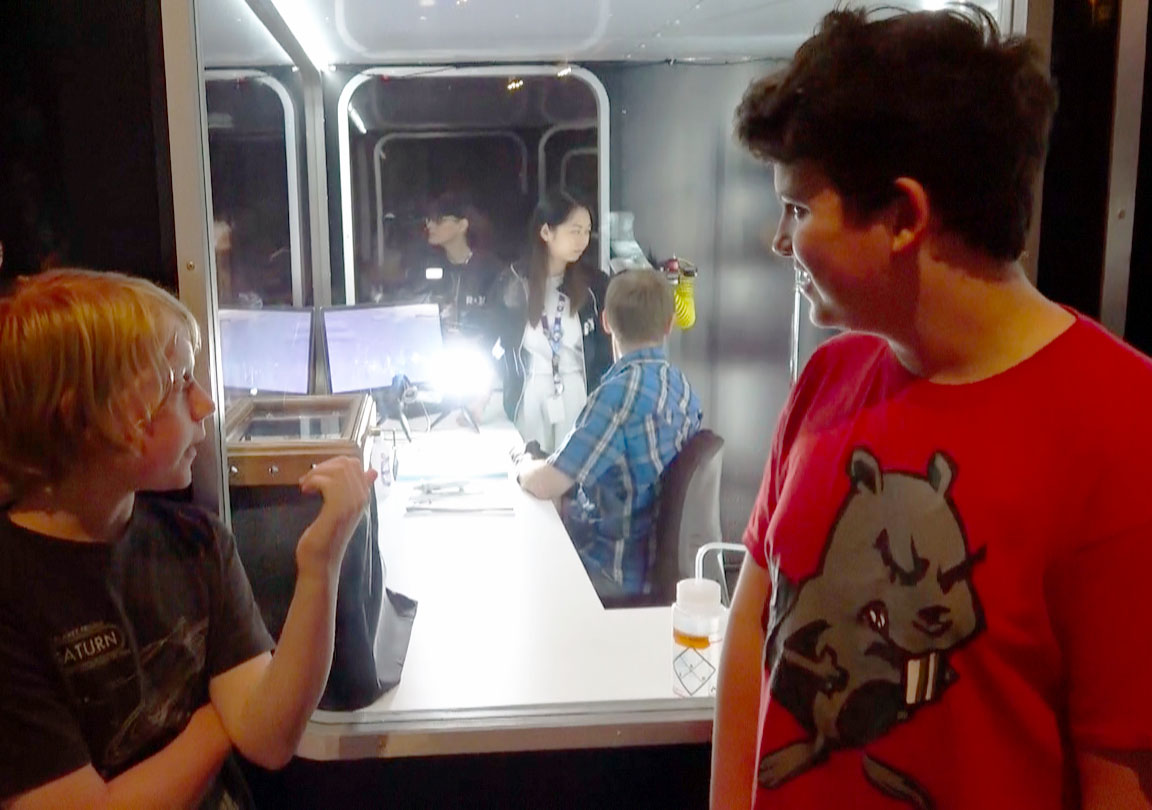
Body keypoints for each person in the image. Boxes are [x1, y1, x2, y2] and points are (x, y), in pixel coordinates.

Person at [710, 7, 1152, 810]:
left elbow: (1118, 767)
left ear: (905, 216)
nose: (781, 242)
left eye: (800, 208)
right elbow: (757, 620)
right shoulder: (829, 375)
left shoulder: (1125, 424)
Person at [0, 269, 377, 809]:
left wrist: (321, 563)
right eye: (178, 384)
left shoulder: (196, 540)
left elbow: (269, 738)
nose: (205, 404)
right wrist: (215, 718)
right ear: (85, 414)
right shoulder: (13, 591)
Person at [514, 269, 702, 602]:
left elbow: (546, 483)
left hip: (611, 569)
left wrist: (523, 464)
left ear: (605, 323)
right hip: (656, 565)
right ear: (669, 324)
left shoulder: (617, 396)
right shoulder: (683, 388)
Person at [488, 190, 613, 453]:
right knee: (531, 469)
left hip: (579, 389)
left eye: (587, 231)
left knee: (574, 473)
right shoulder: (513, 282)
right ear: (546, 232)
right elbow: (495, 342)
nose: (582, 240)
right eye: (574, 230)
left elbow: (605, 350)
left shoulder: (595, 285)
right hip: (530, 389)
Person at [413, 191, 502, 343]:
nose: (429, 225)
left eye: (438, 220)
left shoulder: (491, 270)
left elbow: (499, 322)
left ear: (462, 225)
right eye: (429, 219)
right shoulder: (427, 268)